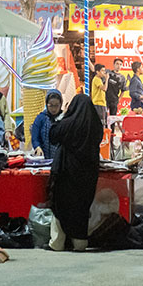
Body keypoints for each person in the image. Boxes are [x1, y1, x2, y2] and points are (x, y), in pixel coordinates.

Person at [48, 92, 103, 251]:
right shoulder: (96, 125)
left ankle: (58, 243)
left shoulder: (68, 123)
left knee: (62, 206)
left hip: (67, 174)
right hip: (88, 175)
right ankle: (80, 242)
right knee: (81, 208)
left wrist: (64, 116)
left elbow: (53, 135)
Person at [32, 90, 63, 159]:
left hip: (61, 158)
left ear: (61, 104)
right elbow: (35, 137)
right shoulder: (41, 118)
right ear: (46, 104)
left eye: (56, 105)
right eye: (51, 105)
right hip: (43, 157)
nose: (54, 109)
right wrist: (37, 147)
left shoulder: (64, 118)